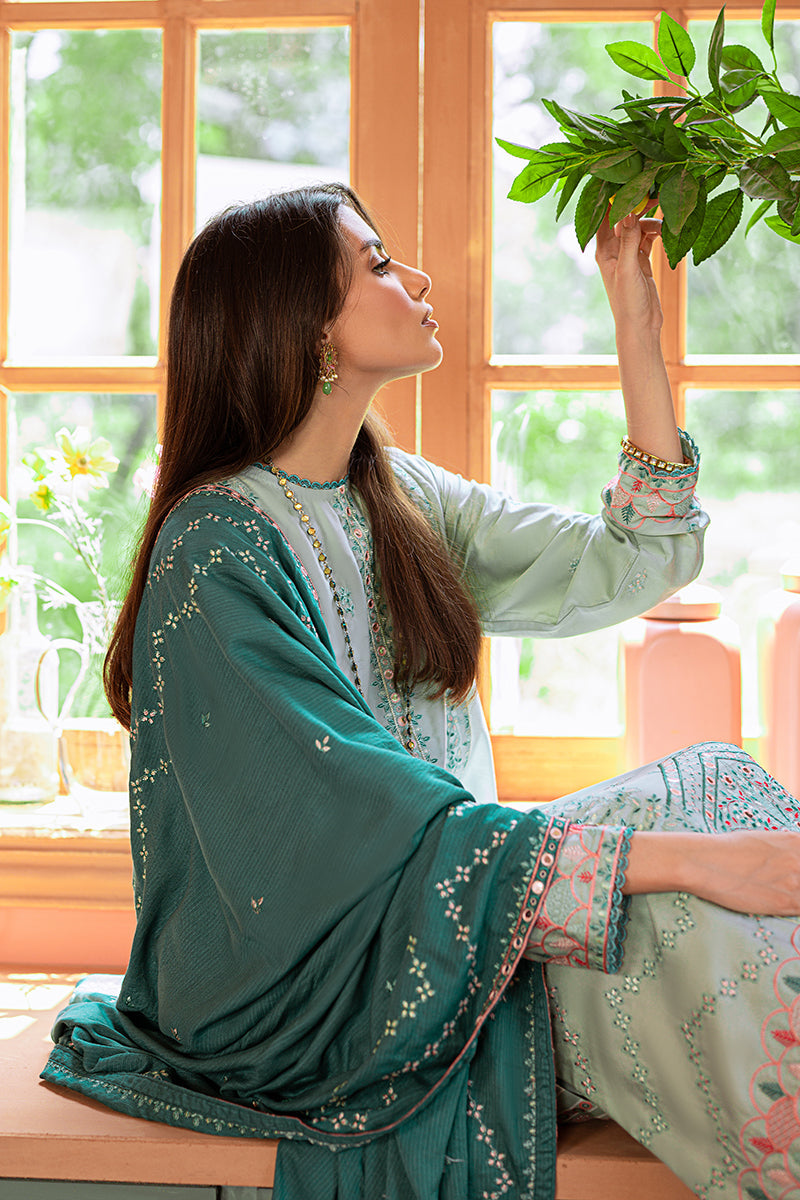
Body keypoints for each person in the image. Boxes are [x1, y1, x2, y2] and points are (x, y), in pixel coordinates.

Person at [42, 183, 800, 1200]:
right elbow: (359, 824)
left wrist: (635, 321)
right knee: (685, 906)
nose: (418, 278)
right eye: (379, 264)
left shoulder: (398, 496)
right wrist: (699, 862)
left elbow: (637, 560)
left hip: (473, 917)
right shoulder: (216, 548)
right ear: (307, 324)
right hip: (322, 986)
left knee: (712, 785)